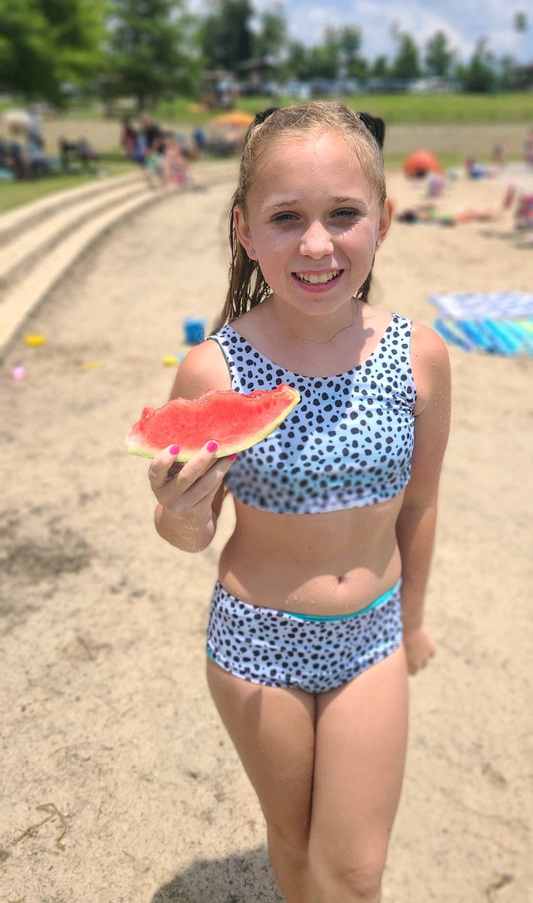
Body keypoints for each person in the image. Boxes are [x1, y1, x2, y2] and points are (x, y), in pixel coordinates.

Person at [147, 101, 451, 902]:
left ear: (382, 221)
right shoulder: (213, 370)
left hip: (372, 636)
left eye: (343, 214)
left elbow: (419, 506)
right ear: (245, 230)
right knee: (292, 840)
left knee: (350, 871)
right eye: (286, 217)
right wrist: (178, 513)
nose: (316, 244)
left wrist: (412, 617)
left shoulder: (419, 355)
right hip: (256, 642)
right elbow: (187, 531)